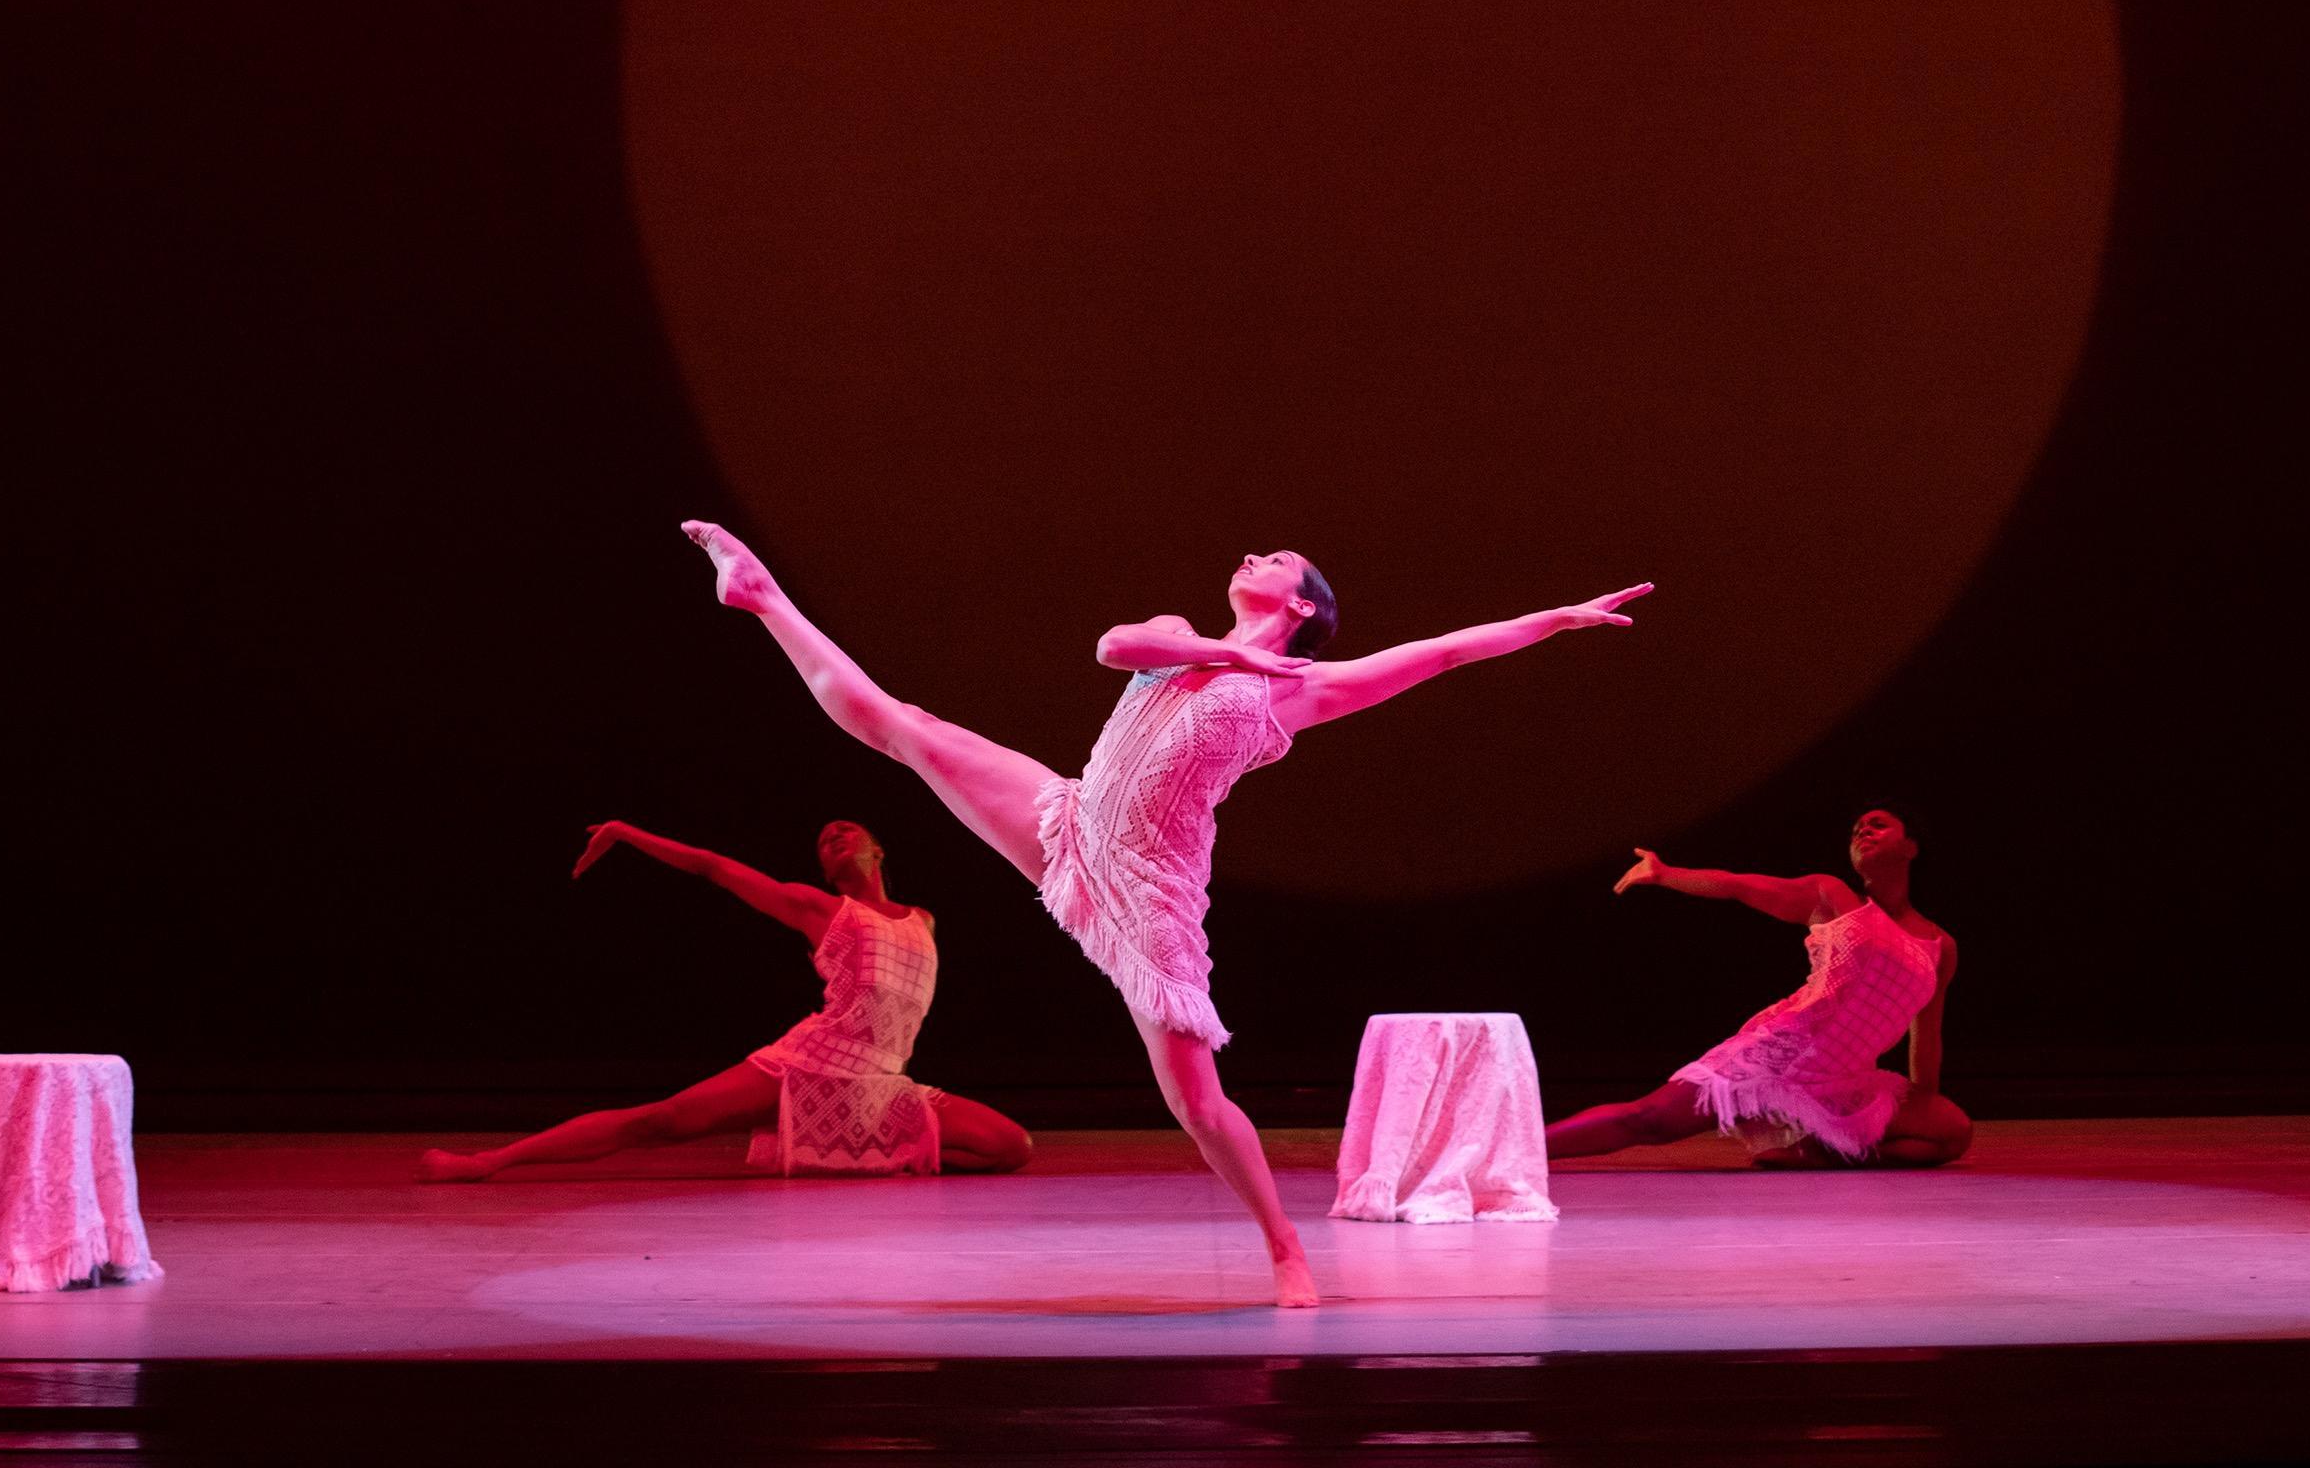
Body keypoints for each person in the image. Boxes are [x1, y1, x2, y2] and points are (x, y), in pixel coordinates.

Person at [682, 520, 1648, 1308]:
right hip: (1071, 821)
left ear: (1303, 605)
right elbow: (1113, 647)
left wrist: (1552, 619)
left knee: (1192, 1101)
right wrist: (1216, 650)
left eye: (1278, 558)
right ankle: (763, 599)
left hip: (1152, 888)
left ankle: (1284, 1251)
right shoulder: (1181, 636)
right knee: (909, 730)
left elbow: (1436, 657)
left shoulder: (1299, 692)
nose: (1253, 552)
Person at [415, 816, 1031, 1181]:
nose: (834, 836)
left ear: (879, 850)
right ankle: (488, 1162)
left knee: (1011, 1146)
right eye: (824, 840)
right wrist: (628, 833)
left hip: (881, 1083)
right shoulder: (818, 908)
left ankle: (870, 1158)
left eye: (847, 830)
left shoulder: (921, 919)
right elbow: (714, 868)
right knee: (663, 1120)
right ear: (823, 869)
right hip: (810, 1064)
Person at [1543, 808, 1970, 1169]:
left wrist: (1923, 1106)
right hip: (1782, 1055)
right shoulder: (1834, 897)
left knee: (1952, 1131)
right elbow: (1740, 885)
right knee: (1650, 1120)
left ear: (1911, 847)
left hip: (1841, 1081)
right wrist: (1667, 874)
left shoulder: (1938, 945)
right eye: (1857, 829)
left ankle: (1814, 1151)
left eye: (1877, 825)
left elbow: (1926, 1034)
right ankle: (1519, 1149)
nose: (1862, 831)